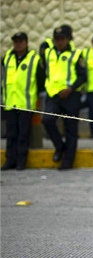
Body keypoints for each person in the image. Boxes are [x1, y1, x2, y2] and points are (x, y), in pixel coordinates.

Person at [41, 26, 86, 170]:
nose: (59, 42)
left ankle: (68, 161)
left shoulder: (76, 54)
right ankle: (60, 147)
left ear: (68, 39)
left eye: (62, 39)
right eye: (56, 39)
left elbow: (83, 76)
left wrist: (71, 88)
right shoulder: (48, 53)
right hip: (53, 94)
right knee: (47, 120)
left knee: (70, 129)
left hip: (71, 95)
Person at [1, 32, 44, 171]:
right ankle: (10, 160)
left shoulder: (34, 59)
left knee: (23, 134)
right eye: (15, 41)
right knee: (11, 134)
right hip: (10, 102)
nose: (18, 44)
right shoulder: (7, 58)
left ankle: (21, 161)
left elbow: (41, 81)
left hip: (25, 103)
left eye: (20, 41)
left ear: (26, 43)